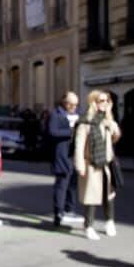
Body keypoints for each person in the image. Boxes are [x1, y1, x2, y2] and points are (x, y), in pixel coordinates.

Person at [74, 90, 122, 240]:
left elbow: (115, 139)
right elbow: (79, 145)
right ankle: (89, 226)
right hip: (91, 164)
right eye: (102, 100)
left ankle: (110, 222)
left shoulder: (107, 121)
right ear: (93, 102)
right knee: (91, 197)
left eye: (107, 100)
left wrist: (112, 124)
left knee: (109, 195)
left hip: (106, 163)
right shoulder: (85, 122)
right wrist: (80, 165)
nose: (105, 103)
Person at [47, 91, 81, 226]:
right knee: (61, 185)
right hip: (61, 155)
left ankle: (70, 209)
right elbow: (52, 131)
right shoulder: (56, 114)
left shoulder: (78, 114)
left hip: (74, 155)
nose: (74, 107)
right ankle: (58, 212)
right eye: (71, 104)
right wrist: (71, 133)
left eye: (76, 105)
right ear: (65, 103)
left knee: (73, 184)